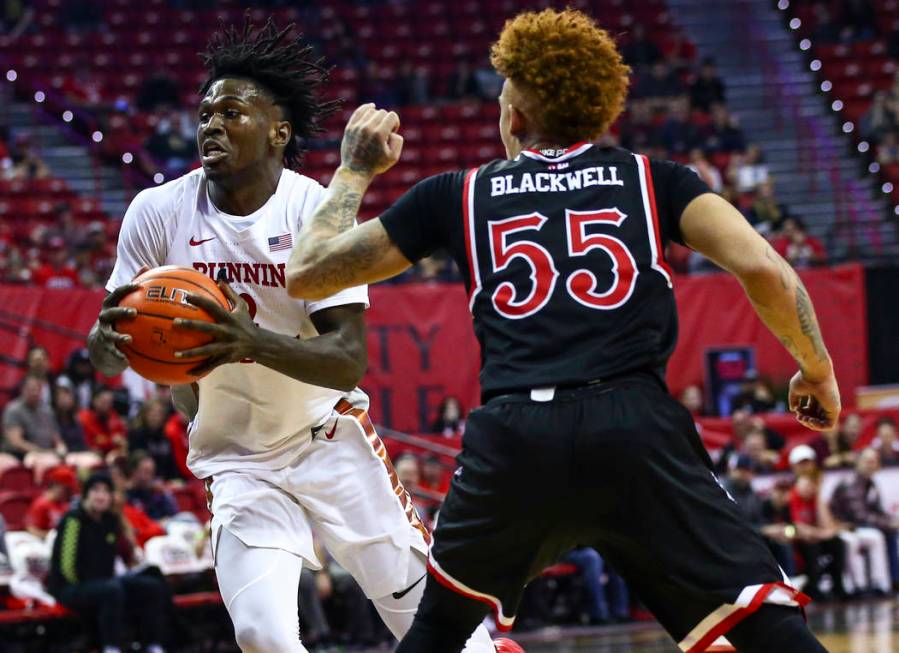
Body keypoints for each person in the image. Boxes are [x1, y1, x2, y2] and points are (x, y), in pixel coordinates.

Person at [285, 8, 838, 652]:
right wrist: (816, 368)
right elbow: (763, 267)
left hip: (518, 435)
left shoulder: (457, 194)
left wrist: (354, 167)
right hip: (635, 426)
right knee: (766, 624)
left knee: (438, 630)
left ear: (514, 116)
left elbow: (309, 273)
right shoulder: (655, 180)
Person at [85, 17, 498, 653]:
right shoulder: (155, 211)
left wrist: (247, 342)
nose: (211, 125)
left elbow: (347, 361)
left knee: (439, 632)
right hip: (238, 458)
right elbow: (109, 357)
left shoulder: (313, 209)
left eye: (232, 112)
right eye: (205, 113)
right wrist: (107, 349)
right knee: (262, 636)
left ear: (279, 132)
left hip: (328, 440)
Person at [47, 473, 172, 653]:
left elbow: (128, 555)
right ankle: (111, 647)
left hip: (105, 583)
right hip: (69, 587)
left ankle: (153, 645)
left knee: (151, 586)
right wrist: (89, 585)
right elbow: (65, 565)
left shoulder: (111, 520)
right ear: (85, 495)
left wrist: (121, 519)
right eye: (95, 491)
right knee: (111, 590)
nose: (101, 496)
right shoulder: (73, 519)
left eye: (106, 491)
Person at [828, 448, 898, 593]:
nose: (870, 465)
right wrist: (889, 523)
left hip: (858, 527)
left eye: (873, 461)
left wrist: (893, 521)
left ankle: (891, 581)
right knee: (876, 537)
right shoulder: (850, 483)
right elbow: (860, 516)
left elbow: (877, 510)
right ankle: (873, 585)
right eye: (867, 461)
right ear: (858, 462)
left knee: (890, 533)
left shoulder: (870, 483)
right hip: (843, 527)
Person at [2, 374, 65, 468]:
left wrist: (61, 448)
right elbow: (16, 441)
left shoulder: (47, 410)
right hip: (21, 455)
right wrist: (41, 451)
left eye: (38, 389)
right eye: (31, 389)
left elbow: (56, 438)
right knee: (37, 461)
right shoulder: (14, 410)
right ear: (22, 390)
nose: (35, 392)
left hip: (47, 454)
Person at [26, 466, 77, 539]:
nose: (69, 494)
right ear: (58, 486)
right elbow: (31, 529)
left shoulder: (64, 504)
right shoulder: (41, 504)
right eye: (67, 490)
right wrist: (52, 537)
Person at [126, 452, 179, 522]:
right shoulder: (126, 494)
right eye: (146, 472)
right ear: (133, 471)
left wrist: (165, 493)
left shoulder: (154, 491)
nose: (150, 477)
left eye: (152, 472)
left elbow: (174, 513)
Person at [78, 385, 127, 457]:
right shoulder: (84, 418)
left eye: (110, 402)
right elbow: (90, 446)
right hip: (92, 456)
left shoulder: (113, 416)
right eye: (104, 402)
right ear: (95, 400)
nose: (107, 406)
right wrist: (111, 441)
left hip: (113, 456)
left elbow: (122, 439)